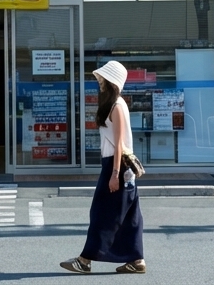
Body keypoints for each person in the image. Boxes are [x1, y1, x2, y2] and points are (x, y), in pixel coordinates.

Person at [60, 60, 146, 275]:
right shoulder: (116, 104)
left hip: (116, 165)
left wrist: (114, 173)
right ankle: (136, 260)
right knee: (130, 216)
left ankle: (85, 260)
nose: (99, 82)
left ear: (112, 81)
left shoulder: (117, 106)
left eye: (102, 79)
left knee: (102, 213)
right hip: (120, 166)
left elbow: (119, 144)